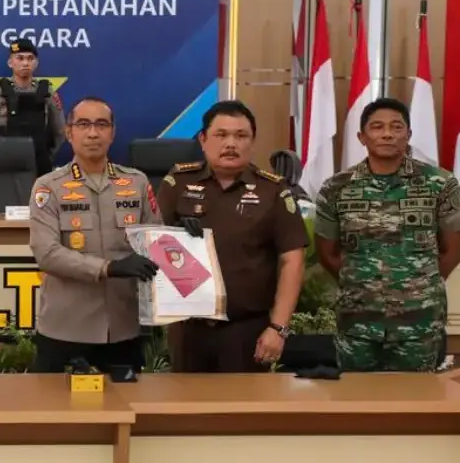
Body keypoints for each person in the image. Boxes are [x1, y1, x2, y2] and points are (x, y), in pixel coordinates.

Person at [158, 101, 307, 373]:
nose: (231, 144)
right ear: (203, 139)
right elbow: (153, 243)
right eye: (221, 134)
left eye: (241, 136)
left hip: (248, 329)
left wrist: (278, 328)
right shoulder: (177, 183)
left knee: (244, 402)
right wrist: (173, 235)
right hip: (189, 328)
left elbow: (292, 260)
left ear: (252, 141)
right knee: (185, 399)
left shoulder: (273, 190)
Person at [315, 97, 460, 372]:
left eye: (396, 127)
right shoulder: (336, 188)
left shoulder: (440, 183)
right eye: (377, 127)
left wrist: (418, 285)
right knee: (355, 395)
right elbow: (327, 253)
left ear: (409, 134)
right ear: (361, 137)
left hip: (419, 323)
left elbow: (453, 248)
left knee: (416, 396)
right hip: (357, 322)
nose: (387, 134)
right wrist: (361, 283)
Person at [29, 97, 160, 373]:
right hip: (66, 329)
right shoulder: (48, 187)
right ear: (69, 132)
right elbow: (47, 254)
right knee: (56, 402)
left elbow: (156, 243)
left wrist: (185, 235)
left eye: (101, 125)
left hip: (124, 328)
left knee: (126, 402)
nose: (92, 133)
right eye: (83, 124)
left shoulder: (136, 182)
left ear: (112, 132)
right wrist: (108, 268)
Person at [0, 38, 65, 176]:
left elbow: (60, 132)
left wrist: (47, 157)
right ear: (10, 63)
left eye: (30, 58)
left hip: (39, 167)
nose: (25, 63)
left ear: (36, 63)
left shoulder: (47, 93)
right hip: (4, 167)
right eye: (20, 58)